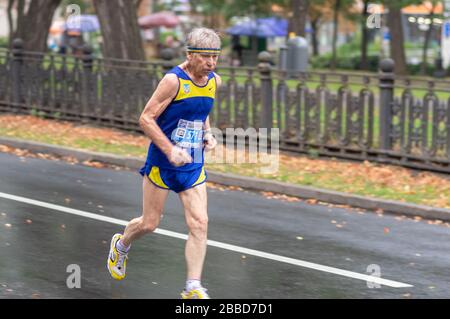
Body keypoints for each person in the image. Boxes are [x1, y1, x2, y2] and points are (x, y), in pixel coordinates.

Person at [107, 27, 221, 299]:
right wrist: (170, 150)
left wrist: (207, 134)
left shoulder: (214, 80)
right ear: (190, 55)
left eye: (215, 57)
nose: (211, 63)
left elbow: (201, 111)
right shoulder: (173, 80)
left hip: (192, 165)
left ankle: (192, 286)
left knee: (200, 223)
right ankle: (121, 245)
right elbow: (146, 118)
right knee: (149, 223)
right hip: (163, 164)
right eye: (205, 57)